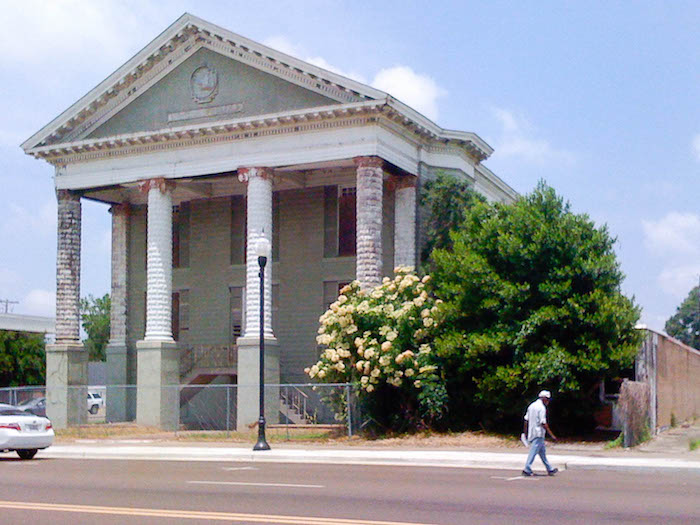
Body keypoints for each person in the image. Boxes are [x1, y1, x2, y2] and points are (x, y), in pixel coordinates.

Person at [522, 390, 558, 476]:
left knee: (542, 453)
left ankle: (549, 468)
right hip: (539, 433)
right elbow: (543, 423)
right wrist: (552, 435)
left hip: (532, 432)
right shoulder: (541, 408)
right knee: (533, 452)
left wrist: (525, 433)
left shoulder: (531, 406)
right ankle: (527, 468)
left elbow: (526, 420)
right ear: (544, 398)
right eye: (548, 399)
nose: (548, 401)